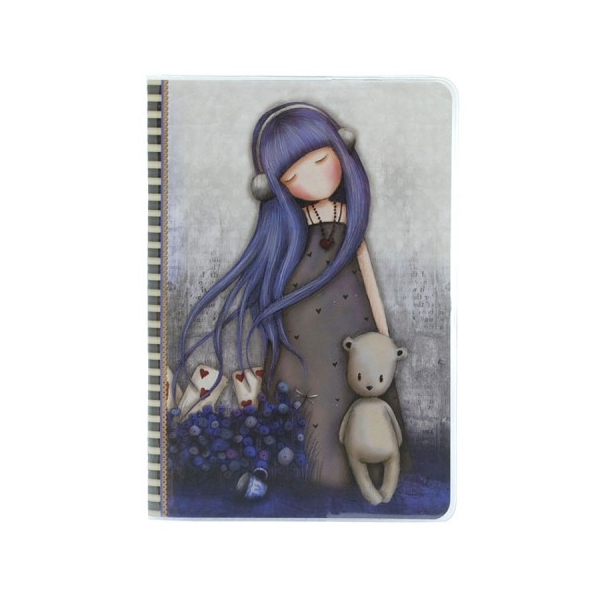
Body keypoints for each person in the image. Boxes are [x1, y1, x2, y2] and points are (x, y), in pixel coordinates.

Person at [175, 102, 408, 488]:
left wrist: (383, 334)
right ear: (275, 186)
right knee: (307, 398)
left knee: (360, 391)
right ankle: (308, 472)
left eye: (321, 160)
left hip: (356, 326)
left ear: (341, 150)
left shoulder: (351, 227)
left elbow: (367, 278)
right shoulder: (291, 234)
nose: (313, 178)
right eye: (294, 176)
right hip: (301, 331)